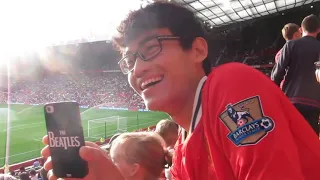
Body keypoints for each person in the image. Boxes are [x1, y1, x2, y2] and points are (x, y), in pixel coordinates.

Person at [42, 2, 320, 180]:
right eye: (129, 61)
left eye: (151, 48)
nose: (136, 69)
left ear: (198, 49)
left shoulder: (231, 85)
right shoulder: (181, 153)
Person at [271, 15, 320, 135]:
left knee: (292, 137)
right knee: (311, 139)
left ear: (301, 29)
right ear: (318, 30)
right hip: (314, 102)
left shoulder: (290, 46)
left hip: (292, 100)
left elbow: (277, 75)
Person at [274, 23, 301, 88]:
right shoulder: (300, 50)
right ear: (296, 34)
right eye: (300, 33)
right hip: (297, 87)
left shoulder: (279, 53)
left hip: (284, 87)